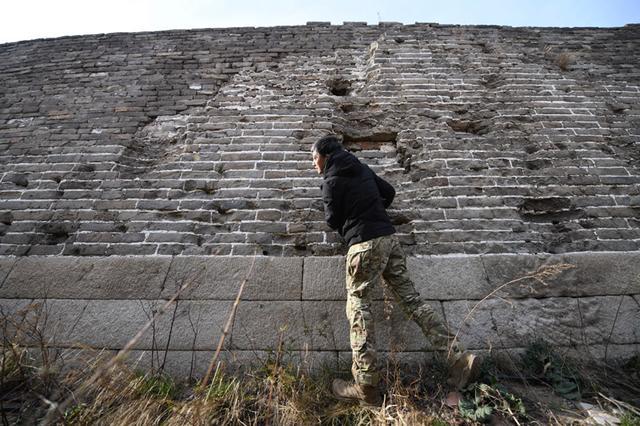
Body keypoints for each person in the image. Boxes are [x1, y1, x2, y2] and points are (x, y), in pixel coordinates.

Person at [312, 134, 480, 406]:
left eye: (314, 158)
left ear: (325, 155)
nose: (313, 164)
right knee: (412, 302)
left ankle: (366, 385)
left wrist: (354, 220)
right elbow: (388, 193)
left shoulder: (331, 181)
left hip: (363, 245)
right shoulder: (362, 168)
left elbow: (332, 221)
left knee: (358, 307)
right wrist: (373, 211)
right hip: (390, 241)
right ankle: (459, 358)